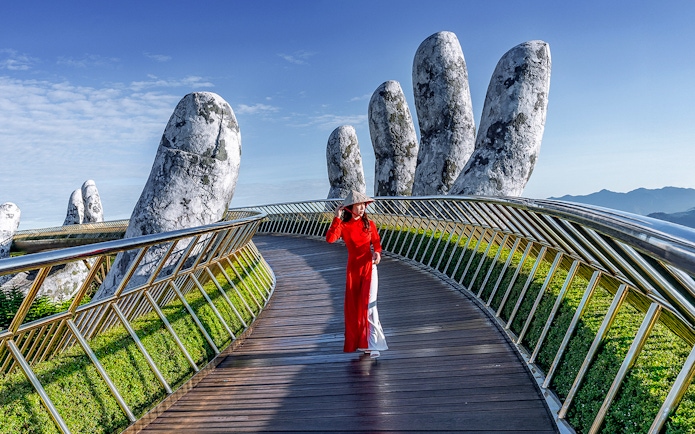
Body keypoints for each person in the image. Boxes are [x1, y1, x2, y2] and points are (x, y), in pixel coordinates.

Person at [326, 190, 388, 358]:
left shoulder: (370, 224)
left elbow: (376, 242)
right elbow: (330, 239)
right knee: (356, 306)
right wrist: (337, 218)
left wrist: (378, 253)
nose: (362, 209)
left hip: (369, 267)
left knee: (369, 305)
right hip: (353, 270)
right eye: (358, 205)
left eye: (363, 206)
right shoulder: (344, 226)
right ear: (349, 208)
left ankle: (375, 344)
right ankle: (364, 344)